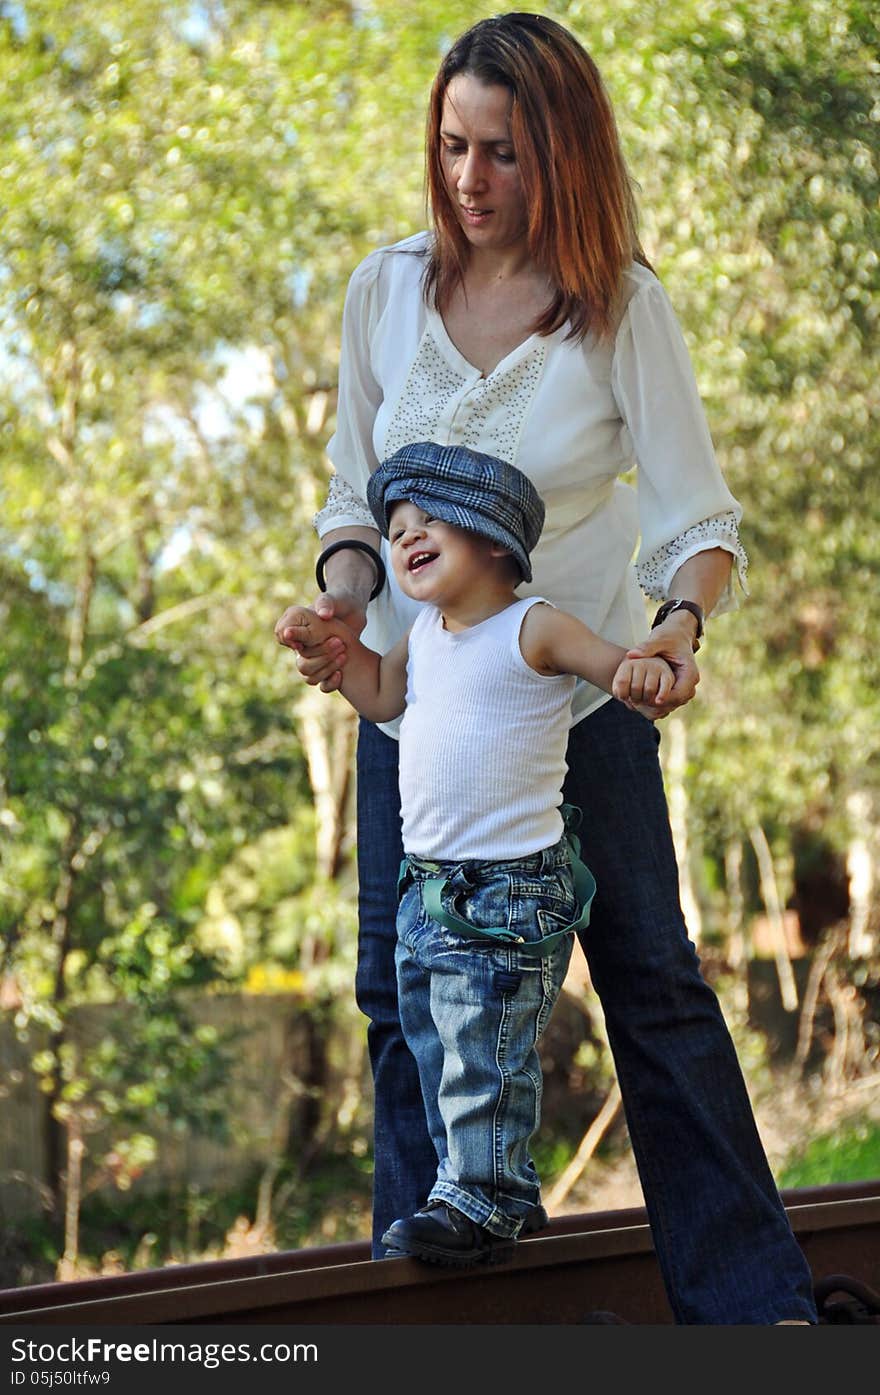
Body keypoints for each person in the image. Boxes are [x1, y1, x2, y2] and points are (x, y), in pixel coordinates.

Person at [275, 12, 817, 1321]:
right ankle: (431, 1317)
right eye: (454, 146)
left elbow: (698, 522)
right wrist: (342, 608)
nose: (470, 179)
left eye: (503, 154)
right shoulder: (383, 290)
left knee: (655, 990)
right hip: (415, 719)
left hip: (579, 704)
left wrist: (677, 634)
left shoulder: (619, 306)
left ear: (561, 155)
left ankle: (754, 1310)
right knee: (400, 995)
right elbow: (354, 500)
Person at [282, 440, 676, 1266]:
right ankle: (494, 1188)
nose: (406, 536)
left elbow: (614, 668)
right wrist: (335, 656)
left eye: (429, 521)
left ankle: (481, 1194)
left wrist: (644, 673)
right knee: (435, 1040)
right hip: (425, 888)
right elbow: (381, 697)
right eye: (395, 528)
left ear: (494, 537)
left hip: (507, 890)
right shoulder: (422, 637)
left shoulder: (532, 627)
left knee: (481, 1045)